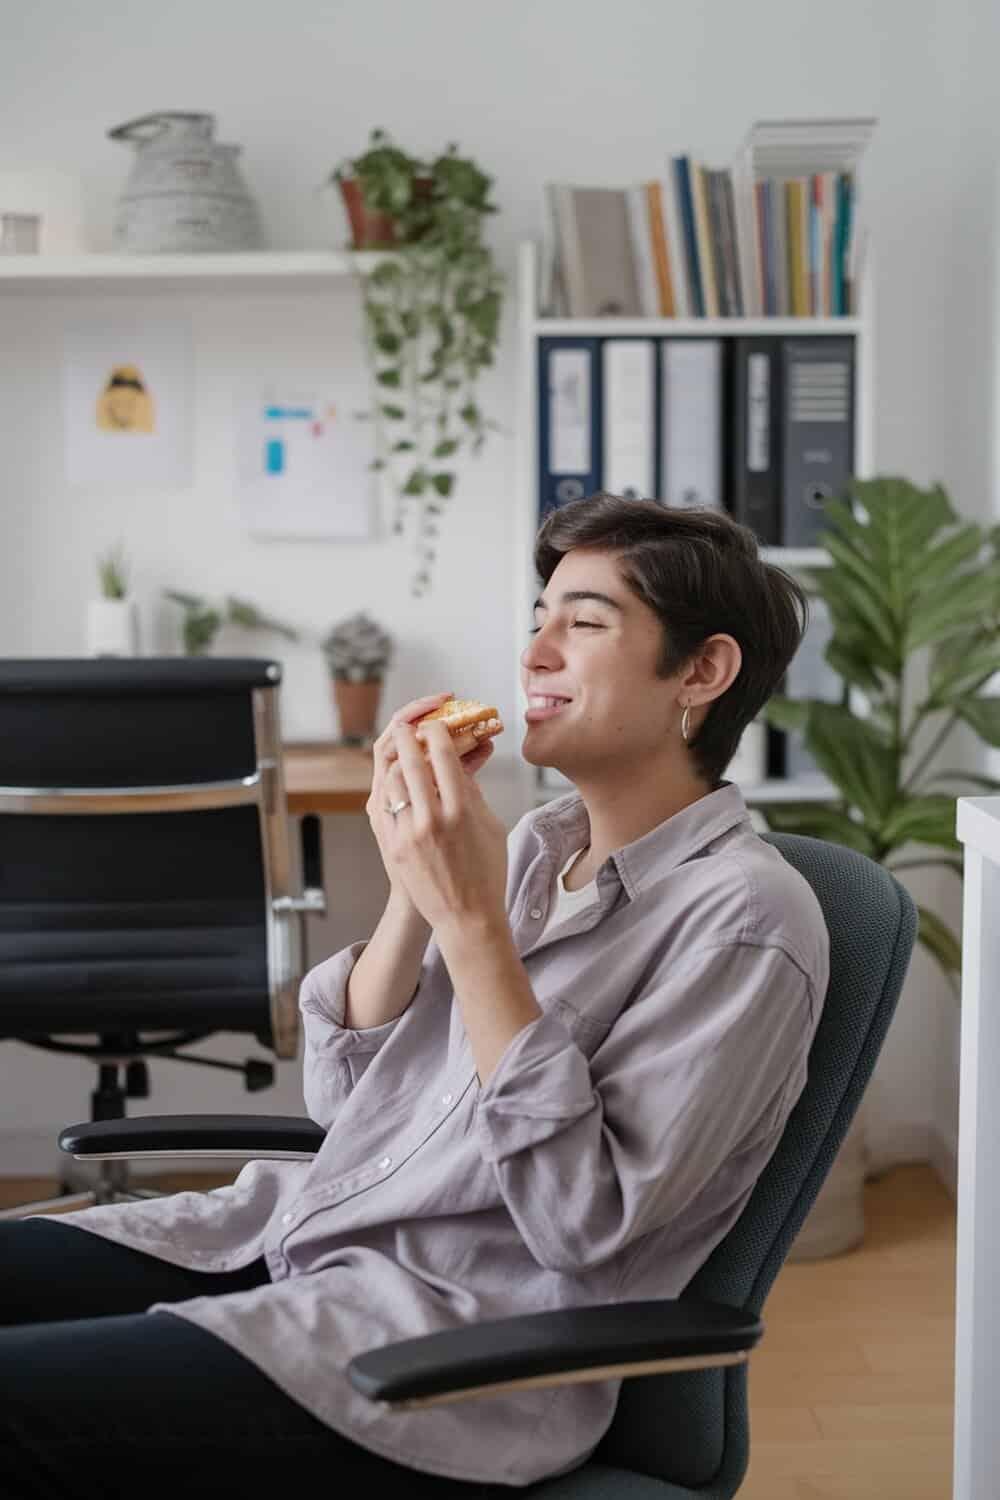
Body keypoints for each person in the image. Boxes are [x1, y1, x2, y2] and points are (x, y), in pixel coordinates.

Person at [0, 493, 829, 1496]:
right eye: (538, 619)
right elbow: (345, 1108)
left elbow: (583, 1225)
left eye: (585, 622)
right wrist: (410, 890)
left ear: (702, 671)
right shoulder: (532, 847)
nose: (534, 654)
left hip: (437, 1350)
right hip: (297, 1233)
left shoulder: (744, 920)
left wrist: (475, 930)